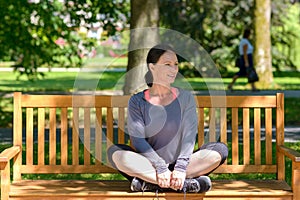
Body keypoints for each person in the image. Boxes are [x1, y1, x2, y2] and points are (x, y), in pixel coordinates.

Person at [107, 44, 228, 194]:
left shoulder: (185, 98)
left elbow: (189, 136)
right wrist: (160, 167)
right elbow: (138, 140)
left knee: (219, 150)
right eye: (167, 64)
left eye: (176, 64)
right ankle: (188, 185)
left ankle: (149, 184)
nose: (174, 69)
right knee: (117, 153)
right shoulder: (137, 101)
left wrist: (180, 168)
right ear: (152, 67)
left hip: (184, 166)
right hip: (150, 165)